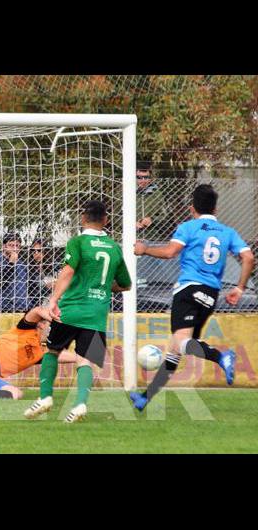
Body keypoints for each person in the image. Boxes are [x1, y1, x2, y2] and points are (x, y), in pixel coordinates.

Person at [130, 184, 255, 410]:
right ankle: (145, 397)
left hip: (188, 290)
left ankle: (221, 357)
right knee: (177, 348)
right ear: (215, 208)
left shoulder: (188, 227)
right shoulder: (228, 232)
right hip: (210, 295)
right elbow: (248, 258)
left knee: (180, 343)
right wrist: (240, 288)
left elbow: (169, 252)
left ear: (191, 208)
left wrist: (144, 249)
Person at [24, 200, 132, 423]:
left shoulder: (78, 242)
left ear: (83, 218)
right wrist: (101, 286)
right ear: (106, 220)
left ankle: (45, 398)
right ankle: (81, 403)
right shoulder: (114, 248)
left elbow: (68, 271)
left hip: (71, 310)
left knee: (52, 351)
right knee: (84, 361)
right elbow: (125, 285)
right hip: (97, 314)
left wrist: (53, 300)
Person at [0, 232, 29, 312]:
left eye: (17, 246)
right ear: (4, 246)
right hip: (1, 308)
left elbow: (27, 287)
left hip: (21, 307)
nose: (15, 249)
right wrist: (11, 263)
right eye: (11, 245)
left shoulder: (22, 264)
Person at [135, 161, 170, 240]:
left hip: (151, 237)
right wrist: (130, 223)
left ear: (150, 178)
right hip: (127, 236)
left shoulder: (157, 193)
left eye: (146, 177)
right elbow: (116, 215)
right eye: (139, 178)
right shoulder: (124, 192)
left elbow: (164, 215)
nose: (143, 181)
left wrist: (152, 220)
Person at [26, 238, 55, 306]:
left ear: (45, 251)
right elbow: (32, 293)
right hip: (39, 303)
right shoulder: (28, 269)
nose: (36, 253)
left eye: (39, 250)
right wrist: (46, 287)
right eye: (33, 251)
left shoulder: (53, 267)